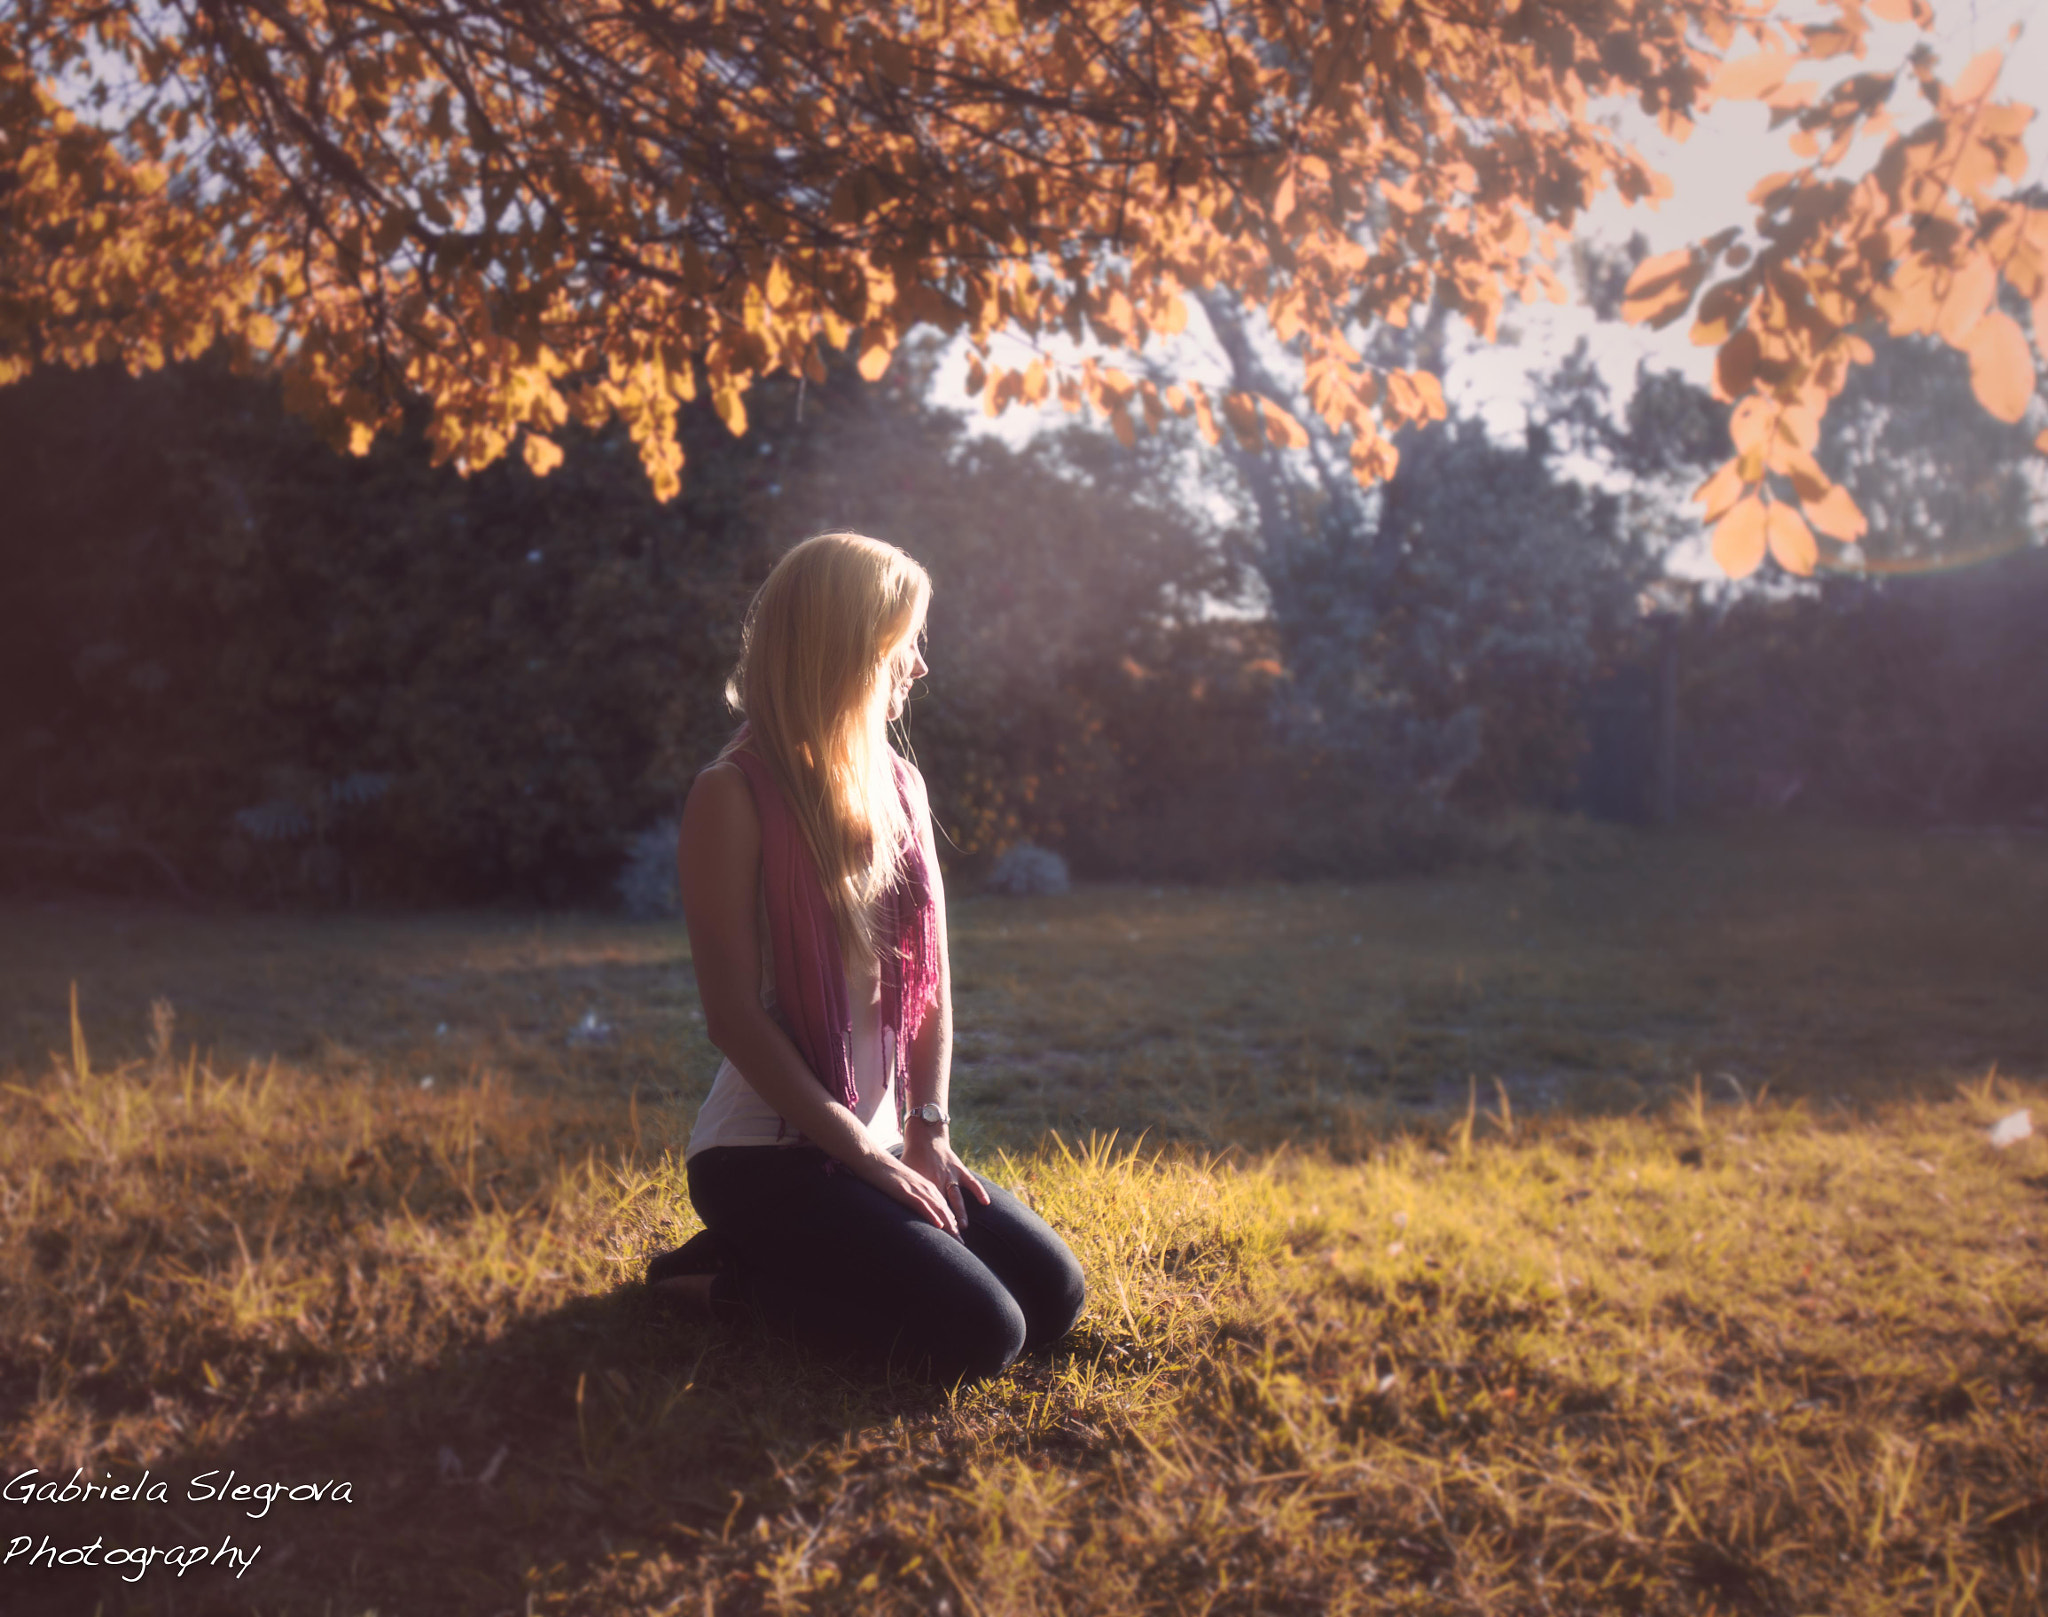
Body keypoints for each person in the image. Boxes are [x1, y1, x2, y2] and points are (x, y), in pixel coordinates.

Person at [646, 532, 1086, 1384]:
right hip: (766, 1154)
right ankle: (713, 1276)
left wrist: (926, 1130)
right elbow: (731, 1015)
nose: (919, 667)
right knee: (980, 1333)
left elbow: (930, 984)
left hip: (884, 1137)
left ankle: (826, 1243)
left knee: (1053, 1294)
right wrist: (863, 1157)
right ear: (844, 647)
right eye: (904, 642)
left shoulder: (901, 784)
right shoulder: (731, 793)